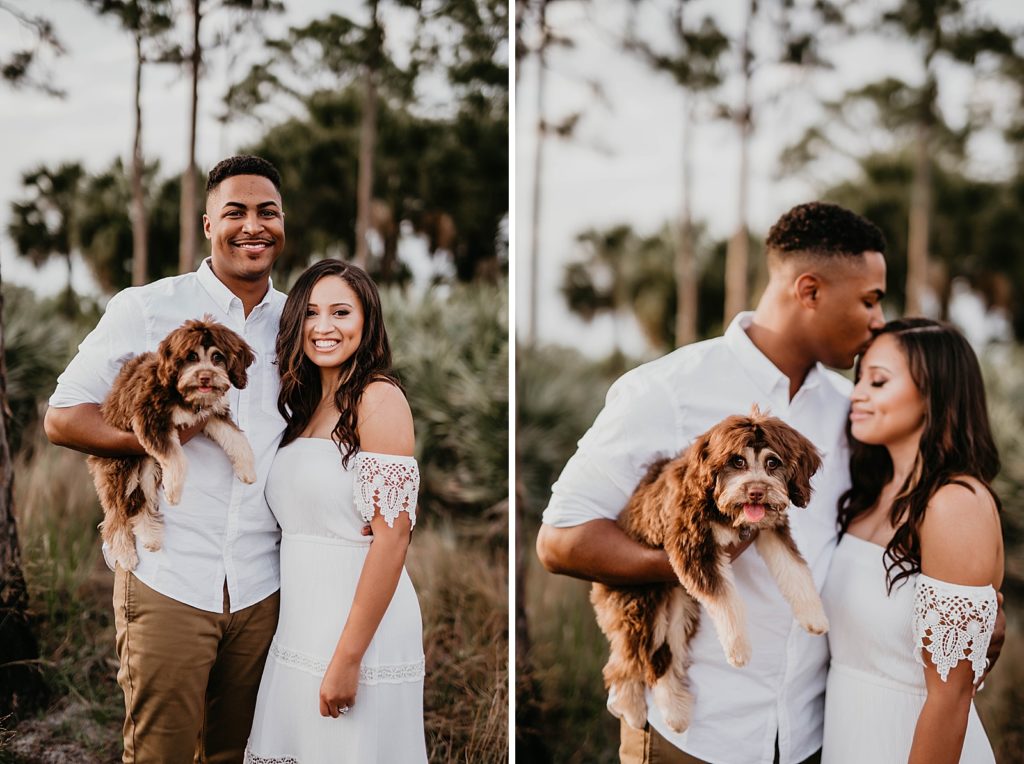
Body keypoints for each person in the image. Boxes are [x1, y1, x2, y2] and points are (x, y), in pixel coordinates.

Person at [538, 201, 890, 764]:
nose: (878, 320)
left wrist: (966, 606)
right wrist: (694, 561)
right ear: (810, 290)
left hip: (814, 738)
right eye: (870, 300)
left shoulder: (855, 414)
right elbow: (559, 541)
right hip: (693, 736)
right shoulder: (669, 388)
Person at [44, 155, 289, 762]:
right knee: (163, 754)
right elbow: (63, 417)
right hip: (170, 575)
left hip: (267, 586)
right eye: (234, 212)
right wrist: (165, 440)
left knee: (240, 754)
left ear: (283, 223)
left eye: (268, 212)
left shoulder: (297, 324)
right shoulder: (145, 308)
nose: (252, 226)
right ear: (208, 224)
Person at [244, 259, 428, 763]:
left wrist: (348, 658)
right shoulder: (301, 407)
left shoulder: (378, 399)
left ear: (367, 322)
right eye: (312, 313)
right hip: (301, 624)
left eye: (341, 312)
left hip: (361, 631)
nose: (324, 327)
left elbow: (393, 540)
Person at [821, 319, 1002, 763]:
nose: (857, 393)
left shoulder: (954, 505)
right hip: (846, 737)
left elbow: (951, 697)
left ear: (934, 394)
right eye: (859, 377)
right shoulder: (869, 494)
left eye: (878, 381)